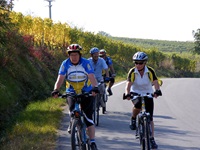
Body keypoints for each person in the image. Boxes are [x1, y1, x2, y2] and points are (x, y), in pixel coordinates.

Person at [51, 44, 99, 150]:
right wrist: (56, 90)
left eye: (76, 54)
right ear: (69, 55)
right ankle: (73, 122)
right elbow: (60, 79)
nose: (74, 57)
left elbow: (91, 76)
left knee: (88, 118)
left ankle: (92, 142)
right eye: (72, 55)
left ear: (79, 54)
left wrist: (95, 87)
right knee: (72, 110)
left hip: (86, 91)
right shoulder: (65, 64)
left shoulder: (86, 63)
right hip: (71, 91)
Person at [124, 51, 162, 149]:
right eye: (136, 62)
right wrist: (127, 93)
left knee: (150, 118)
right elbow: (128, 84)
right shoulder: (132, 71)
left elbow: (155, 82)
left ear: (145, 63)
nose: (138, 65)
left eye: (140, 63)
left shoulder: (150, 71)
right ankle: (133, 118)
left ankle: (152, 139)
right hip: (136, 93)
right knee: (137, 105)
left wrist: (157, 91)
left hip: (148, 93)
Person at [88, 47, 110, 113]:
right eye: (94, 54)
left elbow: (106, 69)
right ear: (91, 55)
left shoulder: (101, 60)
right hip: (91, 79)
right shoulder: (88, 61)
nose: (96, 56)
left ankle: (100, 99)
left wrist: (107, 77)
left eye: (97, 54)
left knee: (102, 88)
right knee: (88, 91)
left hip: (99, 78)